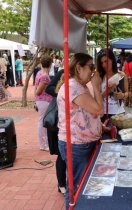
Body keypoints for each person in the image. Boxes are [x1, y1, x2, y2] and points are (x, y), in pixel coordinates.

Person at [57, 53, 103, 209]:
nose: (93, 71)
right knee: (76, 186)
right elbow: (98, 109)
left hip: (82, 142)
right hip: (76, 144)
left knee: (81, 183)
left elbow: (86, 114)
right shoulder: (72, 87)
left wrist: (101, 127)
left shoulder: (79, 85)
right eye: (91, 67)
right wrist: (96, 86)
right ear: (78, 67)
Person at [45, 69, 66, 194]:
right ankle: (61, 184)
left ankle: (65, 182)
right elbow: (49, 88)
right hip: (57, 122)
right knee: (61, 155)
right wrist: (61, 93)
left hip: (69, 123)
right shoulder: (64, 73)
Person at [97, 49, 129, 132]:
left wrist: (123, 95)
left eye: (106, 61)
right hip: (104, 114)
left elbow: (127, 93)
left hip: (119, 113)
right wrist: (108, 89)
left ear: (112, 60)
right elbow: (98, 98)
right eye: (102, 62)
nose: (104, 65)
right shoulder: (99, 77)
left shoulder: (121, 75)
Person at [35, 56, 53, 151]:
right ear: (50, 65)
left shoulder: (39, 73)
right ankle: (43, 144)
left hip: (41, 101)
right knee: (42, 123)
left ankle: (44, 143)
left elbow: (36, 90)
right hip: (44, 101)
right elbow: (38, 91)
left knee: (42, 122)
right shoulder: (45, 76)